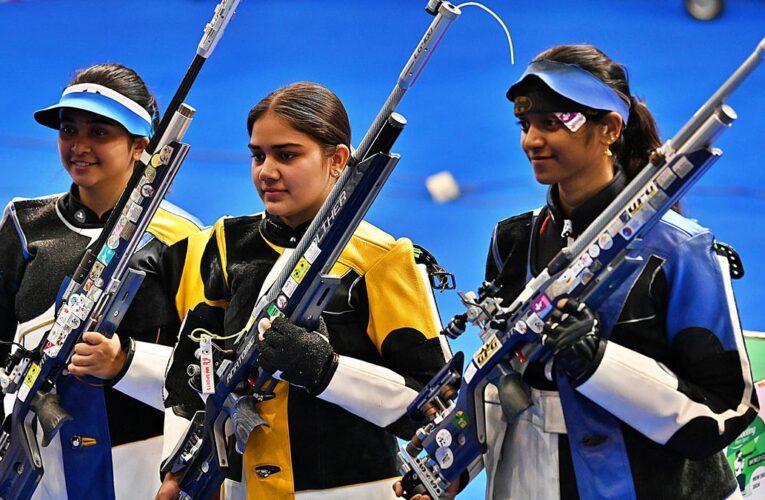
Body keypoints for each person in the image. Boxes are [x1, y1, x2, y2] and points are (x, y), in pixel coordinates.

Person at [396, 44, 758, 499]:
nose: (531, 140)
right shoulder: (512, 239)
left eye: (552, 123)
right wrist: (449, 466)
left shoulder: (683, 250)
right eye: (525, 125)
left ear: (609, 129)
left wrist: (599, 361)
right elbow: (501, 375)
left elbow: (726, 412)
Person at [155, 81, 451, 500]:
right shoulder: (222, 243)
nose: (267, 171)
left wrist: (327, 371)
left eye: (287, 155)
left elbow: (433, 407)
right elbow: (187, 375)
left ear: (338, 160)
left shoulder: (384, 258)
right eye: (258, 155)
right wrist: (176, 469)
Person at [0, 63, 203, 499]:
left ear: (140, 146)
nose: (79, 146)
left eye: (100, 133)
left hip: (139, 459)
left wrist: (125, 361)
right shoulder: (23, 222)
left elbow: (200, 368)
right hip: (35, 455)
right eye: (69, 130)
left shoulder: (183, 237)